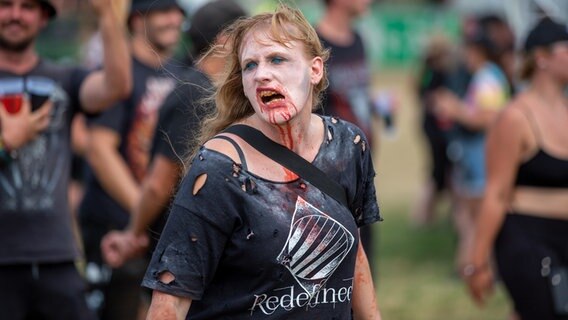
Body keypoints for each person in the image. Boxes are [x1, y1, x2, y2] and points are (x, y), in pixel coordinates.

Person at [142, 5, 382, 319]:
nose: (262, 74)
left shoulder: (347, 146)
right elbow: (169, 304)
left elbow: (355, 255)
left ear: (315, 70)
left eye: (277, 59)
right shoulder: (219, 169)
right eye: (249, 66)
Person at [0, 0, 131, 318]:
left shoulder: (66, 77)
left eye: (27, 6)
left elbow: (116, 87)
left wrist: (107, 15)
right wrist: (6, 142)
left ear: (44, 17)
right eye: (6, 5)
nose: (16, 14)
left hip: (57, 257)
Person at [100, 0, 248, 270]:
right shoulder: (194, 92)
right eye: (246, 38)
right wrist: (133, 231)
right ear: (225, 41)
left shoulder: (216, 92)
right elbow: (160, 181)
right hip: (178, 245)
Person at [77, 0, 185, 318]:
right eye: (163, 11)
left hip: (165, 228)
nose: (174, 19)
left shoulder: (184, 75)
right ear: (137, 20)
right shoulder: (118, 74)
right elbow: (99, 150)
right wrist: (143, 211)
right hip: (114, 223)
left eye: (177, 12)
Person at [465, 17, 568, 320]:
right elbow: (495, 194)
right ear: (542, 57)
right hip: (527, 239)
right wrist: (478, 261)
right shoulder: (514, 117)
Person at [433, 19, 510, 270]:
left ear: (477, 51)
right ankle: (473, 264)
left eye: (468, 49)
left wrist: (454, 109)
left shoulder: (487, 77)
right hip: (479, 154)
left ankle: (476, 265)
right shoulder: (487, 76)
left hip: (481, 154)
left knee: (475, 215)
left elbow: (487, 118)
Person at [315, 0, 378, 274]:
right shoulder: (313, 42)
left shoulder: (359, 40)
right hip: (324, 169)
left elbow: (357, 96)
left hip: (360, 165)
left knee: (365, 259)